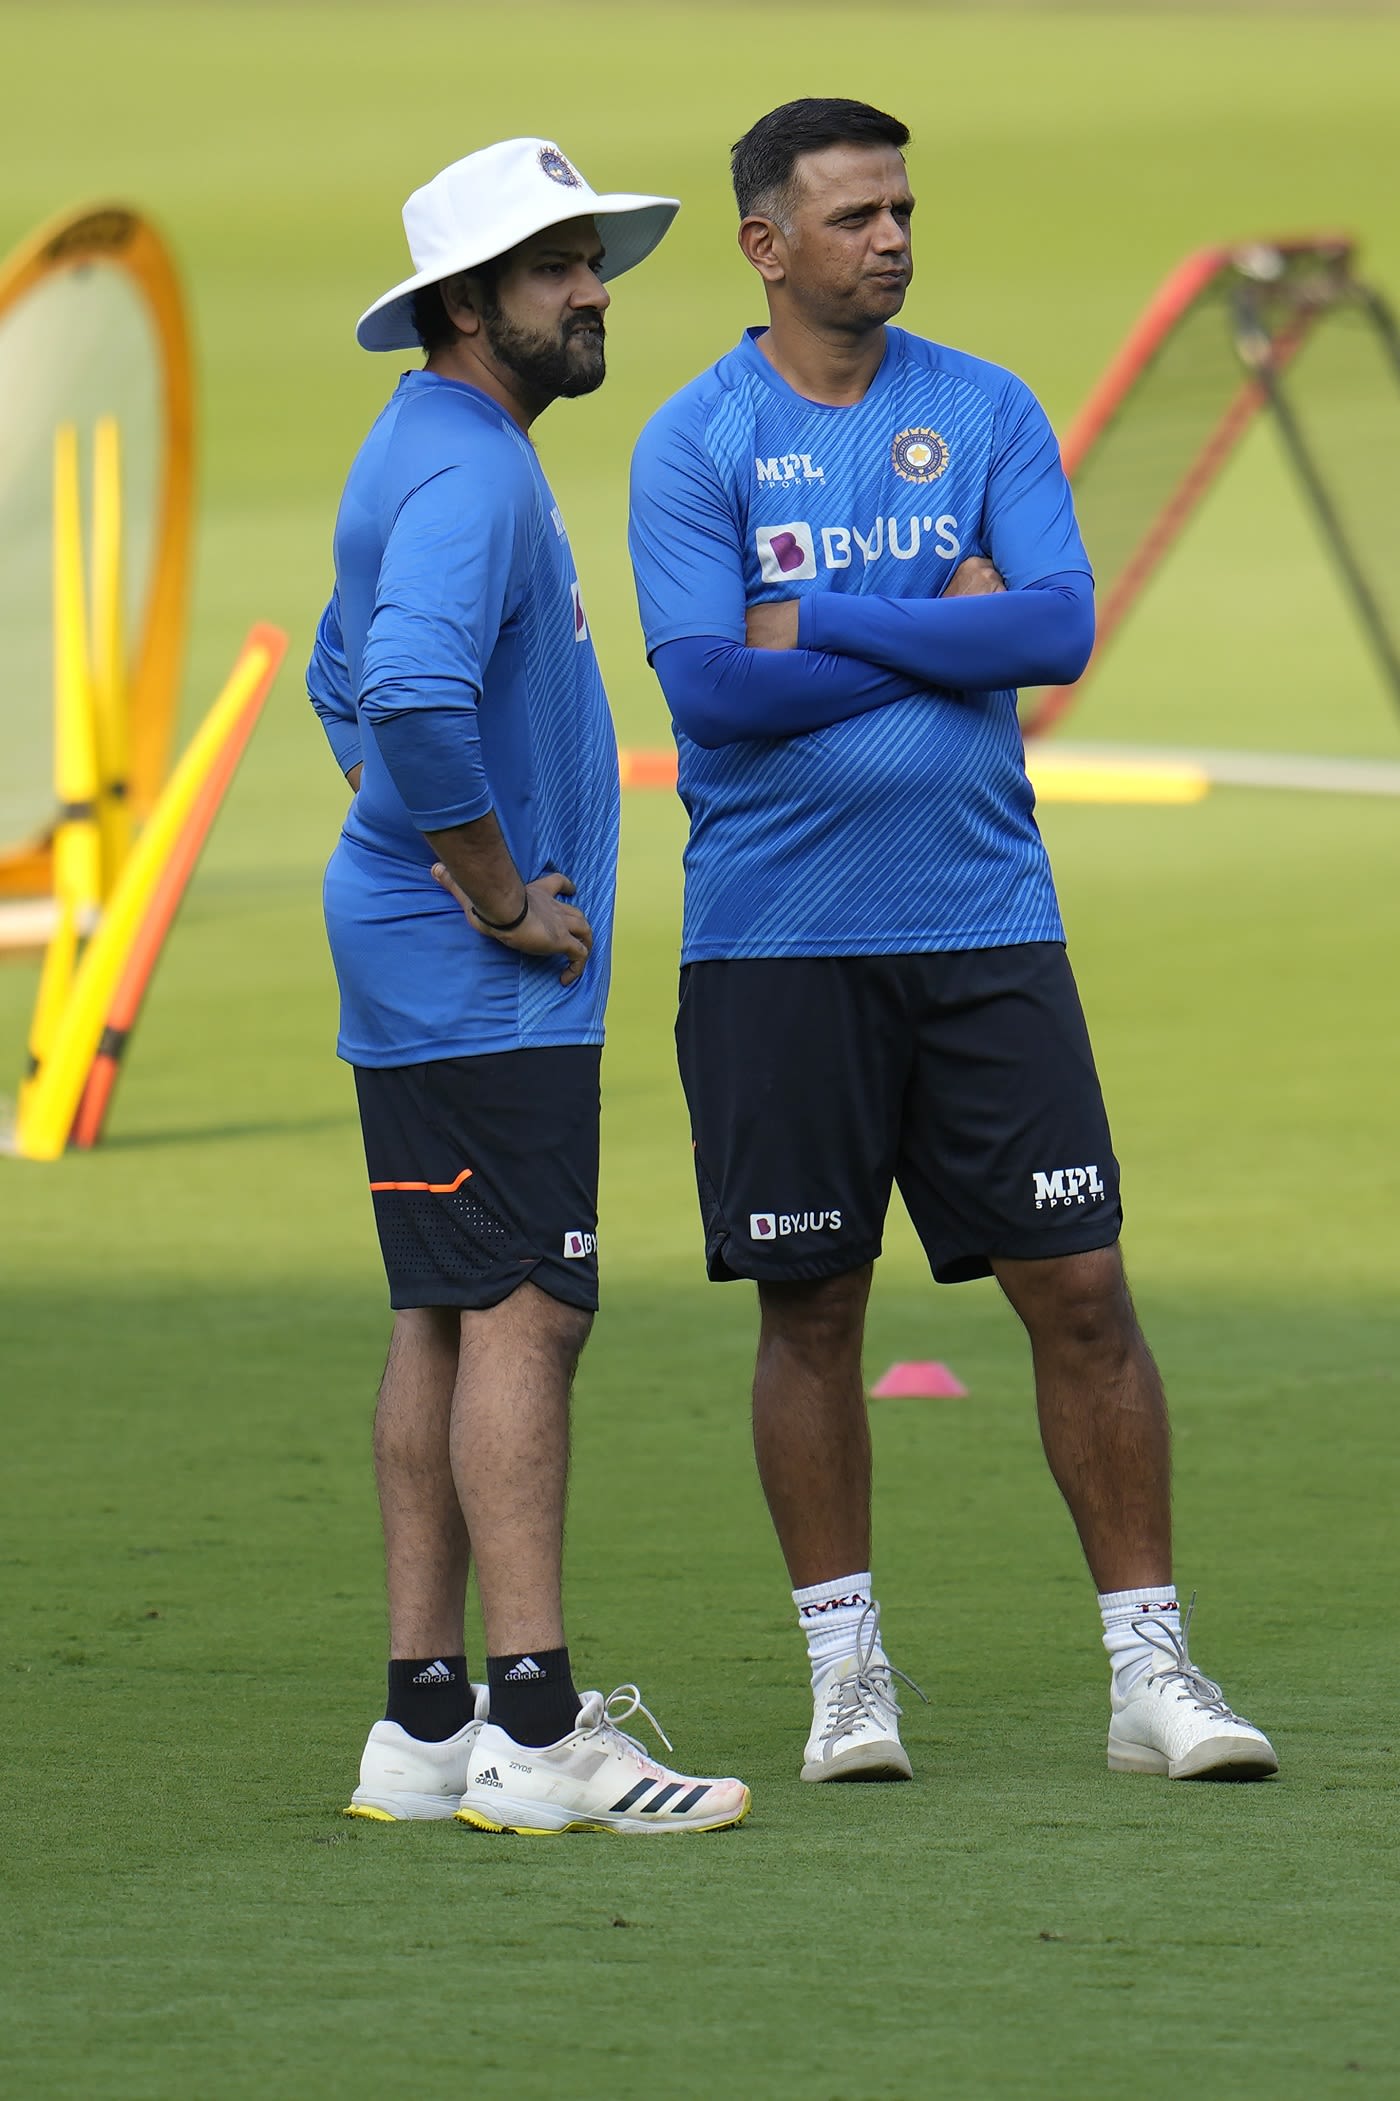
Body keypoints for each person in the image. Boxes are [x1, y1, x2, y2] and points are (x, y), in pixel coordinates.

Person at [628, 98, 1276, 1787]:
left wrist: (836, 617)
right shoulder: (696, 441)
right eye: (853, 216)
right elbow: (711, 688)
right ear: (767, 246)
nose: (893, 237)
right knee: (812, 1305)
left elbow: (1056, 629)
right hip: (775, 944)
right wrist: (944, 630)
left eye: (903, 207)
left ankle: (1154, 1675)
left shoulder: (984, 406)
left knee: (1082, 1289)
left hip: (988, 922)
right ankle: (849, 1679)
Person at [308, 138, 749, 1835]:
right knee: (530, 1312)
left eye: (591, 258)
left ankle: (422, 1726)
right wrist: (490, 887)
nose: (594, 292)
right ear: (467, 304)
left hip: (413, 963)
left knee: (441, 1301)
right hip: (479, 982)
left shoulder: (424, 446)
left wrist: (416, 852)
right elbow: (405, 692)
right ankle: (539, 1724)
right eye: (558, 266)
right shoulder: (476, 473)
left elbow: (344, 685)